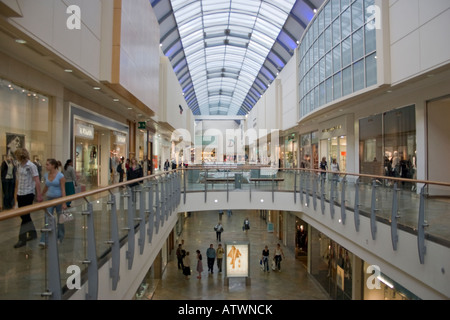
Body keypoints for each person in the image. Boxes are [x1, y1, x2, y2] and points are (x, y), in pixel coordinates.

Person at [13, 148, 43, 248]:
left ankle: (22, 239)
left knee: (25, 216)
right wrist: (15, 194)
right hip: (20, 193)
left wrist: (39, 195)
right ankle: (33, 233)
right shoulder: (18, 165)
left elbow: (37, 180)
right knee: (24, 216)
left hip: (28, 193)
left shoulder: (31, 166)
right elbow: (18, 180)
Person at [40, 159, 67, 247]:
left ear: (53, 165)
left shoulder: (60, 176)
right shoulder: (46, 175)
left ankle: (60, 237)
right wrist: (41, 194)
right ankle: (45, 239)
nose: (46, 166)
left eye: (47, 165)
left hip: (58, 199)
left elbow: (63, 189)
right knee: (47, 219)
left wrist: (64, 202)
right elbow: (47, 186)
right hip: (49, 199)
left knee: (60, 220)